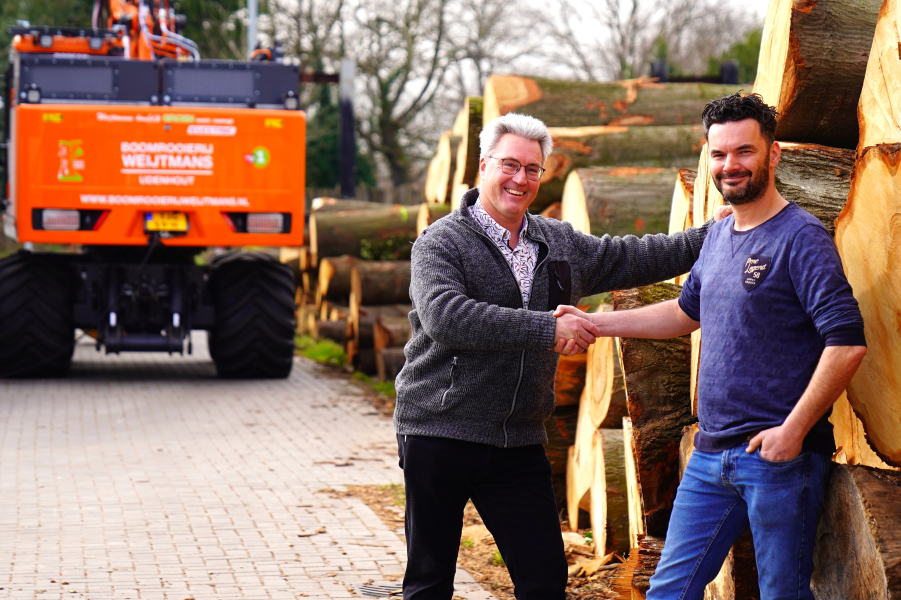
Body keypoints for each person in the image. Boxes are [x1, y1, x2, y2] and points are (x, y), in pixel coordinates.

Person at [393, 112, 719, 600]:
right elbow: (448, 318)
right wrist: (549, 328)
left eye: (532, 169)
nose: (520, 179)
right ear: (483, 165)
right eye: (509, 165)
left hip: (518, 438)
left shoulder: (557, 242)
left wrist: (717, 233)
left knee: (545, 578)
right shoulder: (441, 242)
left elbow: (634, 256)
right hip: (440, 431)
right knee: (430, 579)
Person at [555, 93, 867, 599]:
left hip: (778, 461)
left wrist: (793, 430)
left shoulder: (801, 237)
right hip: (709, 456)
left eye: (744, 151)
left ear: (774, 153)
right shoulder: (719, 236)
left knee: (782, 595)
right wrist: (597, 322)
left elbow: (847, 342)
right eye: (719, 154)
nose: (730, 165)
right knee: (668, 592)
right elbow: (684, 313)